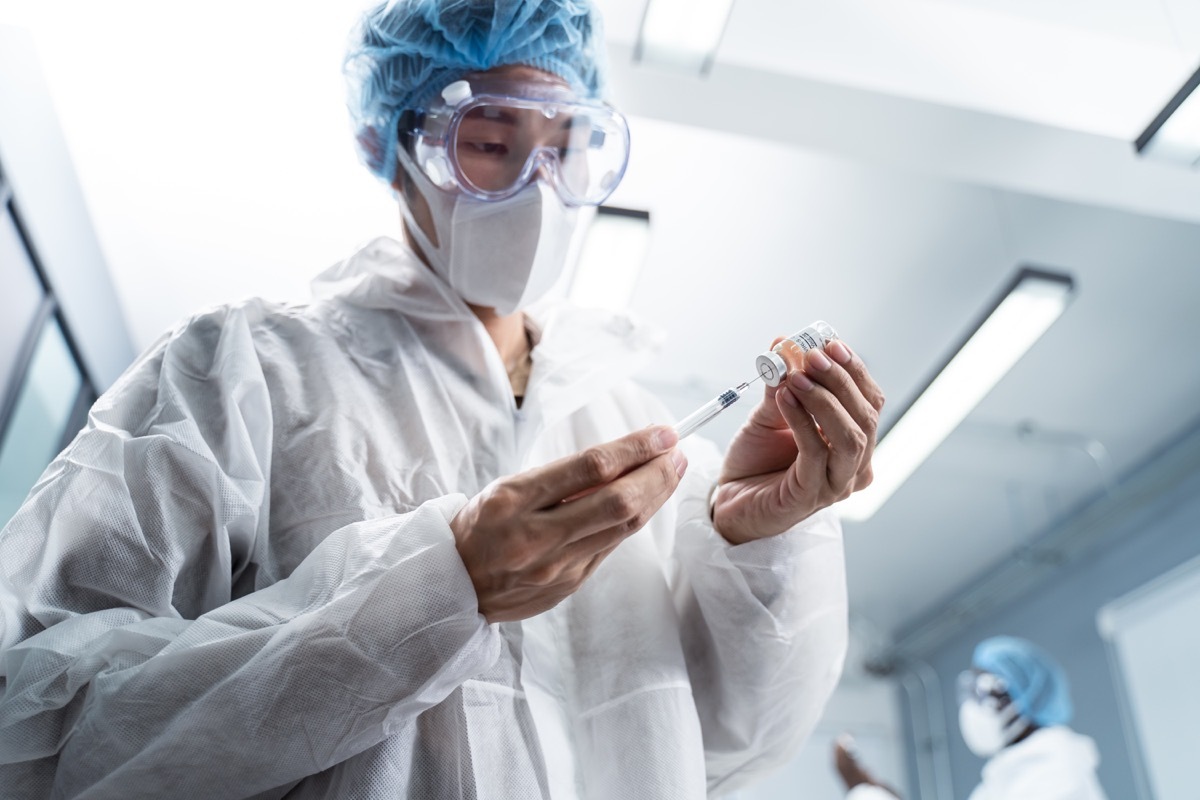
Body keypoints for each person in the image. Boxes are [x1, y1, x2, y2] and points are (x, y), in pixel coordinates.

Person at [0, 1, 885, 798]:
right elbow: (43, 729)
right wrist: (429, 589)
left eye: (567, 147)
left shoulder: (633, 426)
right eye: (490, 143)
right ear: (389, 147)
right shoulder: (241, 372)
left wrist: (758, 541)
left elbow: (730, 753)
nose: (537, 189)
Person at [834, 636, 1108, 800]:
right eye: (968, 691)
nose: (972, 707)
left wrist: (862, 790)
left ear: (1026, 696)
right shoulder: (1004, 780)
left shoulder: (1056, 773)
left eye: (986, 692)